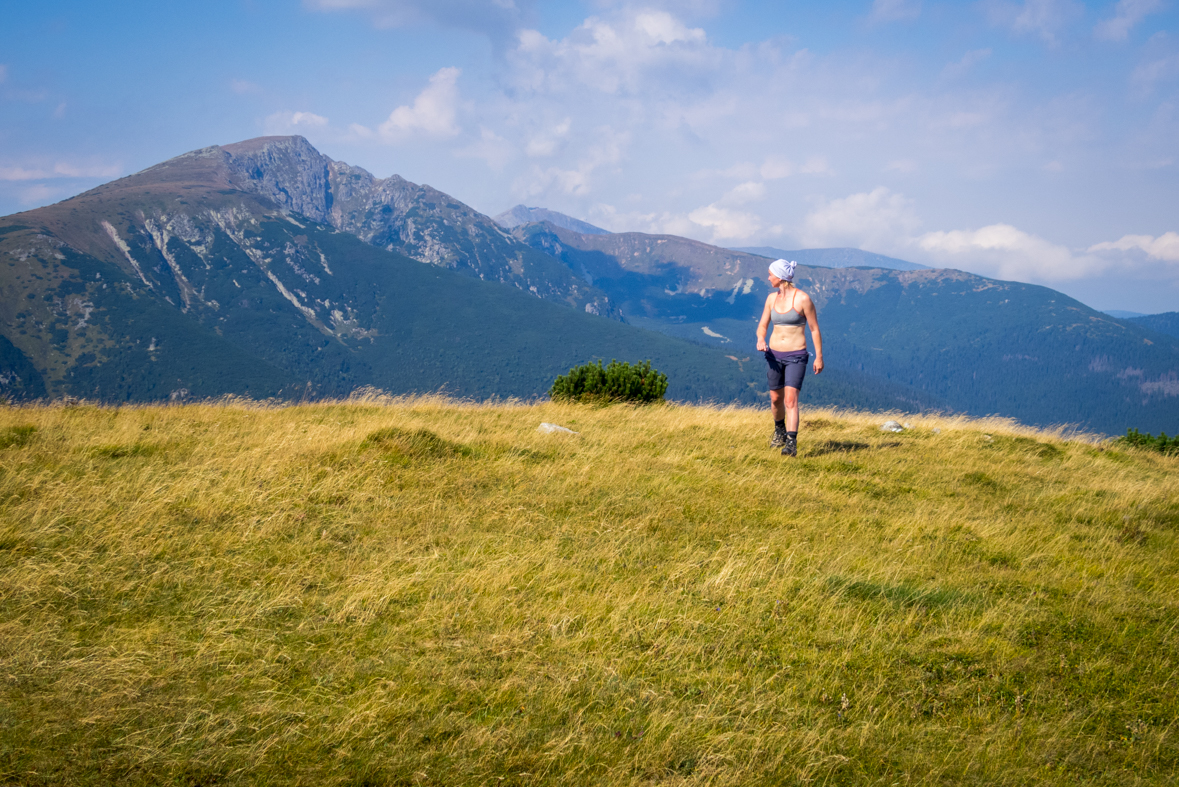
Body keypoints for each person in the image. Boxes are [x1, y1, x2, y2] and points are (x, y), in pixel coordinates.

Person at [756, 259, 823, 456]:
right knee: (776, 398)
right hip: (773, 356)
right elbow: (762, 325)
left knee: (791, 399)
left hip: (796, 356)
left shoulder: (803, 299)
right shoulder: (771, 299)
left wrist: (819, 357)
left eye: (770, 274)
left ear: (781, 277)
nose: (768, 278)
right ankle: (779, 431)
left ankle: (791, 443)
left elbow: (814, 329)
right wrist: (761, 339)